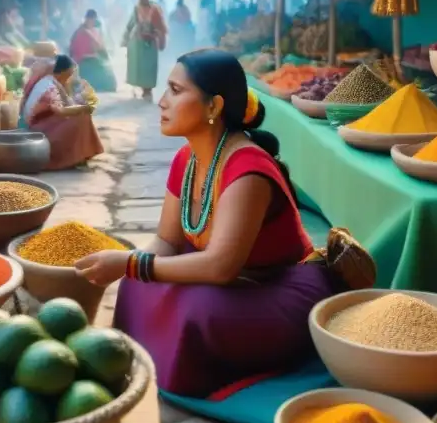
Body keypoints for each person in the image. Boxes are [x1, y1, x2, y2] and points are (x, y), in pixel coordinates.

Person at [75, 49, 342, 397]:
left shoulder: (247, 171)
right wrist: (133, 267)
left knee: (196, 311)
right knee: (137, 284)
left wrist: (128, 262)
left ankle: (182, 366)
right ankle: (152, 355)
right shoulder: (186, 158)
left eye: (175, 90)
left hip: (279, 286)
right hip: (234, 281)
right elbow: (166, 241)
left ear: (213, 107)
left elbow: (219, 267)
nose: (161, 101)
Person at [20, 54, 104, 170]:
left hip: (43, 125)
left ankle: (82, 155)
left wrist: (80, 105)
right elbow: (61, 111)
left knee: (79, 114)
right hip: (38, 133)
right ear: (61, 72)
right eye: (69, 74)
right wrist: (83, 108)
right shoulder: (48, 87)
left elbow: (67, 103)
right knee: (82, 116)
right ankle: (77, 157)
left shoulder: (51, 81)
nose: (70, 78)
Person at [122, 0, 167, 101]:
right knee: (140, 66)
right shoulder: (136, 9)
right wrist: (126, 38)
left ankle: (148, 89)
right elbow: (130, 24)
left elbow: (161, 26)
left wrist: (160, 37)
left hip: (151, 41)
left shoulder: (155, 9)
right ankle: (144, 89)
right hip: (139, 41)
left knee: (150, 66)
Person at [69, 9, 117, 93]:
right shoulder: (80, 32)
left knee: (107, 72)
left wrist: (102, 52)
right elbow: (78, 52)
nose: (93, 22)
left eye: (94, 20)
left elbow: (99, 46)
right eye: (91, 20)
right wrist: (93, 55)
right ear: (87, 19)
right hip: (83, 61)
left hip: (94, 59)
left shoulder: (93, 30)